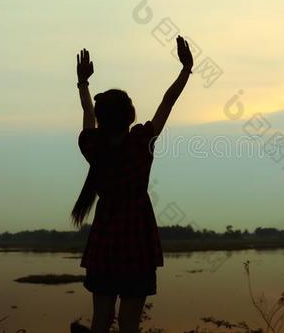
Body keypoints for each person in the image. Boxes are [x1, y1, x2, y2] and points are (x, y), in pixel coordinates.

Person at [71, 36, 194, 333]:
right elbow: (168, 101)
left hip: (104, 242)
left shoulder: (92, 145)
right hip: (137, 242)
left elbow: (88, 115)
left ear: (103, 119)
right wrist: (186, 68)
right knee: (129, 325)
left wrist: (83, 84)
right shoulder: (140, 143)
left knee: (100, 321)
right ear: (130, 116)